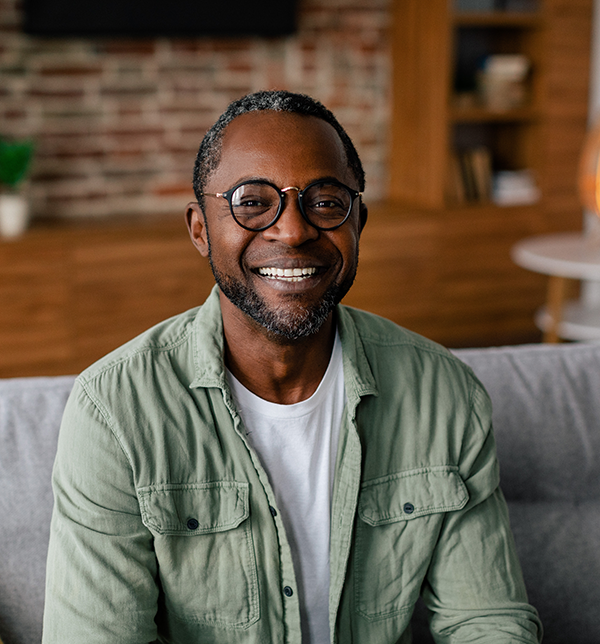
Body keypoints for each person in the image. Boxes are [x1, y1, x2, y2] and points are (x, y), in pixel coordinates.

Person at [42, 90, 542, 644]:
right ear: (200, 228)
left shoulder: (445, 393)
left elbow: (487, 621)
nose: (294, 230)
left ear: (359, 223)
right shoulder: (113, 411)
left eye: (326, 202)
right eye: (252, 202)